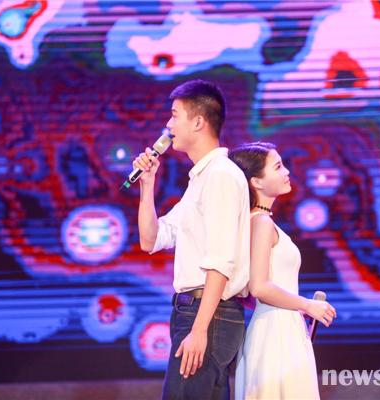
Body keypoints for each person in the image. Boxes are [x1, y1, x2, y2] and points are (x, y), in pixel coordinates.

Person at [133, 80, 250, 400]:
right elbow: (151, 240)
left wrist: (199, 329)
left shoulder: (220, 175)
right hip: (196, 313)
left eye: (174, 115)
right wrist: (147, 185)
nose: (168, 125)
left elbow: (221, 259)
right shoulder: (202, 179)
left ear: (198, 122)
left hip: (208, 314)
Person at [230, 142, 337, 399]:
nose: (287, 171)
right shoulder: (261, 223)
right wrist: (308, 305)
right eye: (278, 167)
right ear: (256, 181)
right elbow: (259, 287)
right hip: (275, 331)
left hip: (280, 326)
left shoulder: (258, 222)